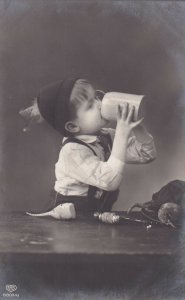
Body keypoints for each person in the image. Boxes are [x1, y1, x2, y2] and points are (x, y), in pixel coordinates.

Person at [20, 77, 157, 217]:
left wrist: (137, 126)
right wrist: (122, 134)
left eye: (96, 98)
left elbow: (146, 154)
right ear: (73, 126)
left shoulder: (106, 136)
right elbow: (109, 181)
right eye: (90, 105)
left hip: (95, 217)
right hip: (69, 218)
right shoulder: (72, 151)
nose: (99, 104)